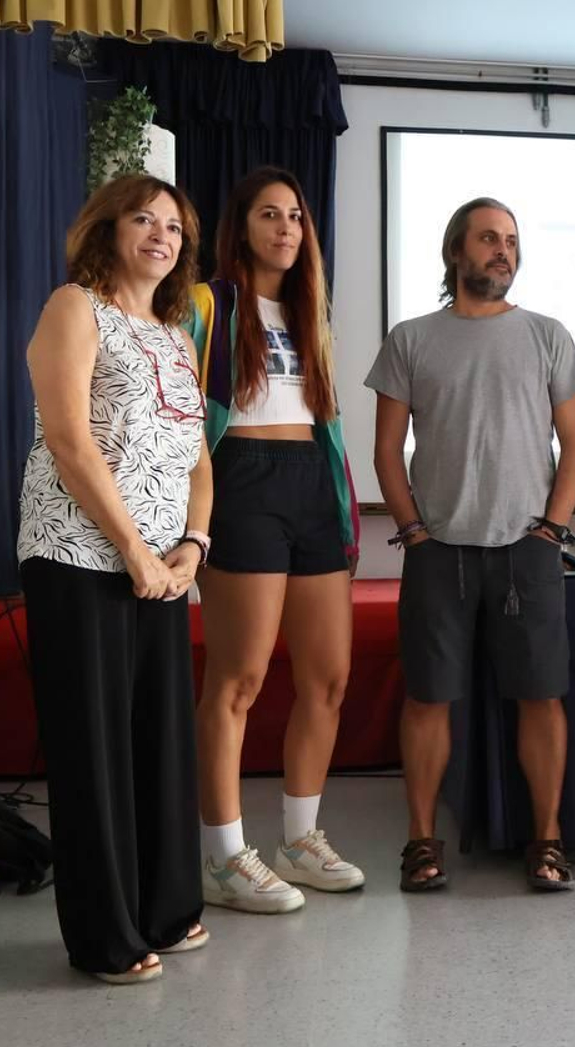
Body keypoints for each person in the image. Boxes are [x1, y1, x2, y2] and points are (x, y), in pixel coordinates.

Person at [17, 174, 212, 984]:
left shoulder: (175, 332)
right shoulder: (74, 306)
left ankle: (169, 908)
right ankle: (107, 938)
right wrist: (134, 549)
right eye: (144, 219)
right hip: (79, 558)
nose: (162, 236)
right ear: (107, 228)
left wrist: (191, 549)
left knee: (162, 744)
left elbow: (200, 457)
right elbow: (69, 439)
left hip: (163, 569)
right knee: (93, 752)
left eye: (174, 226)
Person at [367, 196, 575, 892]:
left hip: (528, 548)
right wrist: (414, 532)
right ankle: (421, 842)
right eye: (489, 239)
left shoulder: (548, 335)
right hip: (441, 552)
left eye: (512, 242)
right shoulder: (411, 338)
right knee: (429, 699)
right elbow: (384, 450)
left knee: (541, 696)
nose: (503, 252)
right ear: (456, 252)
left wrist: (552, 528)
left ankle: (547, 842)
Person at [187, 167, 365, 914]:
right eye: (269, 213)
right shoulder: (206, 302)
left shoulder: (310, 310)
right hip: (243, 478)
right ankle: (224, 857)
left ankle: (300, 840)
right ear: (243, 226)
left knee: (328, 677)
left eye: (295, 215)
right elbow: (184, 411)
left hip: (310, 484)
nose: (287, 226)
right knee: (240, 681)